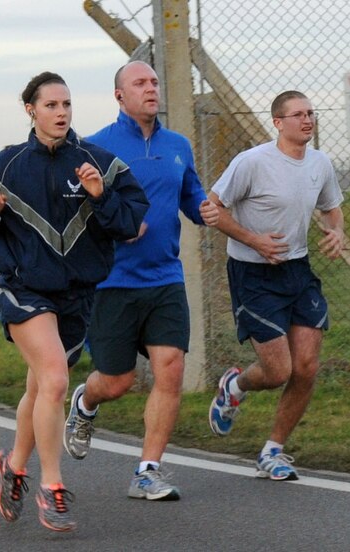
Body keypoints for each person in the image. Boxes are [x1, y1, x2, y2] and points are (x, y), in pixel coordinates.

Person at [0, 71, 148, 532]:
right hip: (25, 290)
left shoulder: (100, 163)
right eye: (51, 105)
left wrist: (100, 196)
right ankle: (52, 488)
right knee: (57, 380)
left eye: (67, 105)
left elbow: (131, 223)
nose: (61, 113)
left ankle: (15, 469)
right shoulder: (7, 164)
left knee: (41, 388)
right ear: (31, 111)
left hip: (79, 296)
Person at [62, 60, 219, 501]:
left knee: (170, 368)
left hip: (165, 278)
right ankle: (85, 403)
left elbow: (191, 196)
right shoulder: (95, 148)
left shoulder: (178, 145)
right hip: (112, 282)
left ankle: (148, 471)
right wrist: (117, 225)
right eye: (140, 83)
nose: (151, 88)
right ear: (119, 96)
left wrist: (204, 208)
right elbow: (76, 215)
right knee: (117, 381)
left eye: (154, 81)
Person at [206, 90, 345, 481]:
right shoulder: (252, 162)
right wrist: (254, 240)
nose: (308, 120)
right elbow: (212, 207)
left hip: (298, 272)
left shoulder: (321, 163)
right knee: (278, 370)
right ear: (278, 123)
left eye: (311, 113)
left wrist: (337, 233)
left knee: (306, 366)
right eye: (298, 114)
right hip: (254, 275)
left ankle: (273, 451)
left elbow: (332, 207)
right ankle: (235, 385)